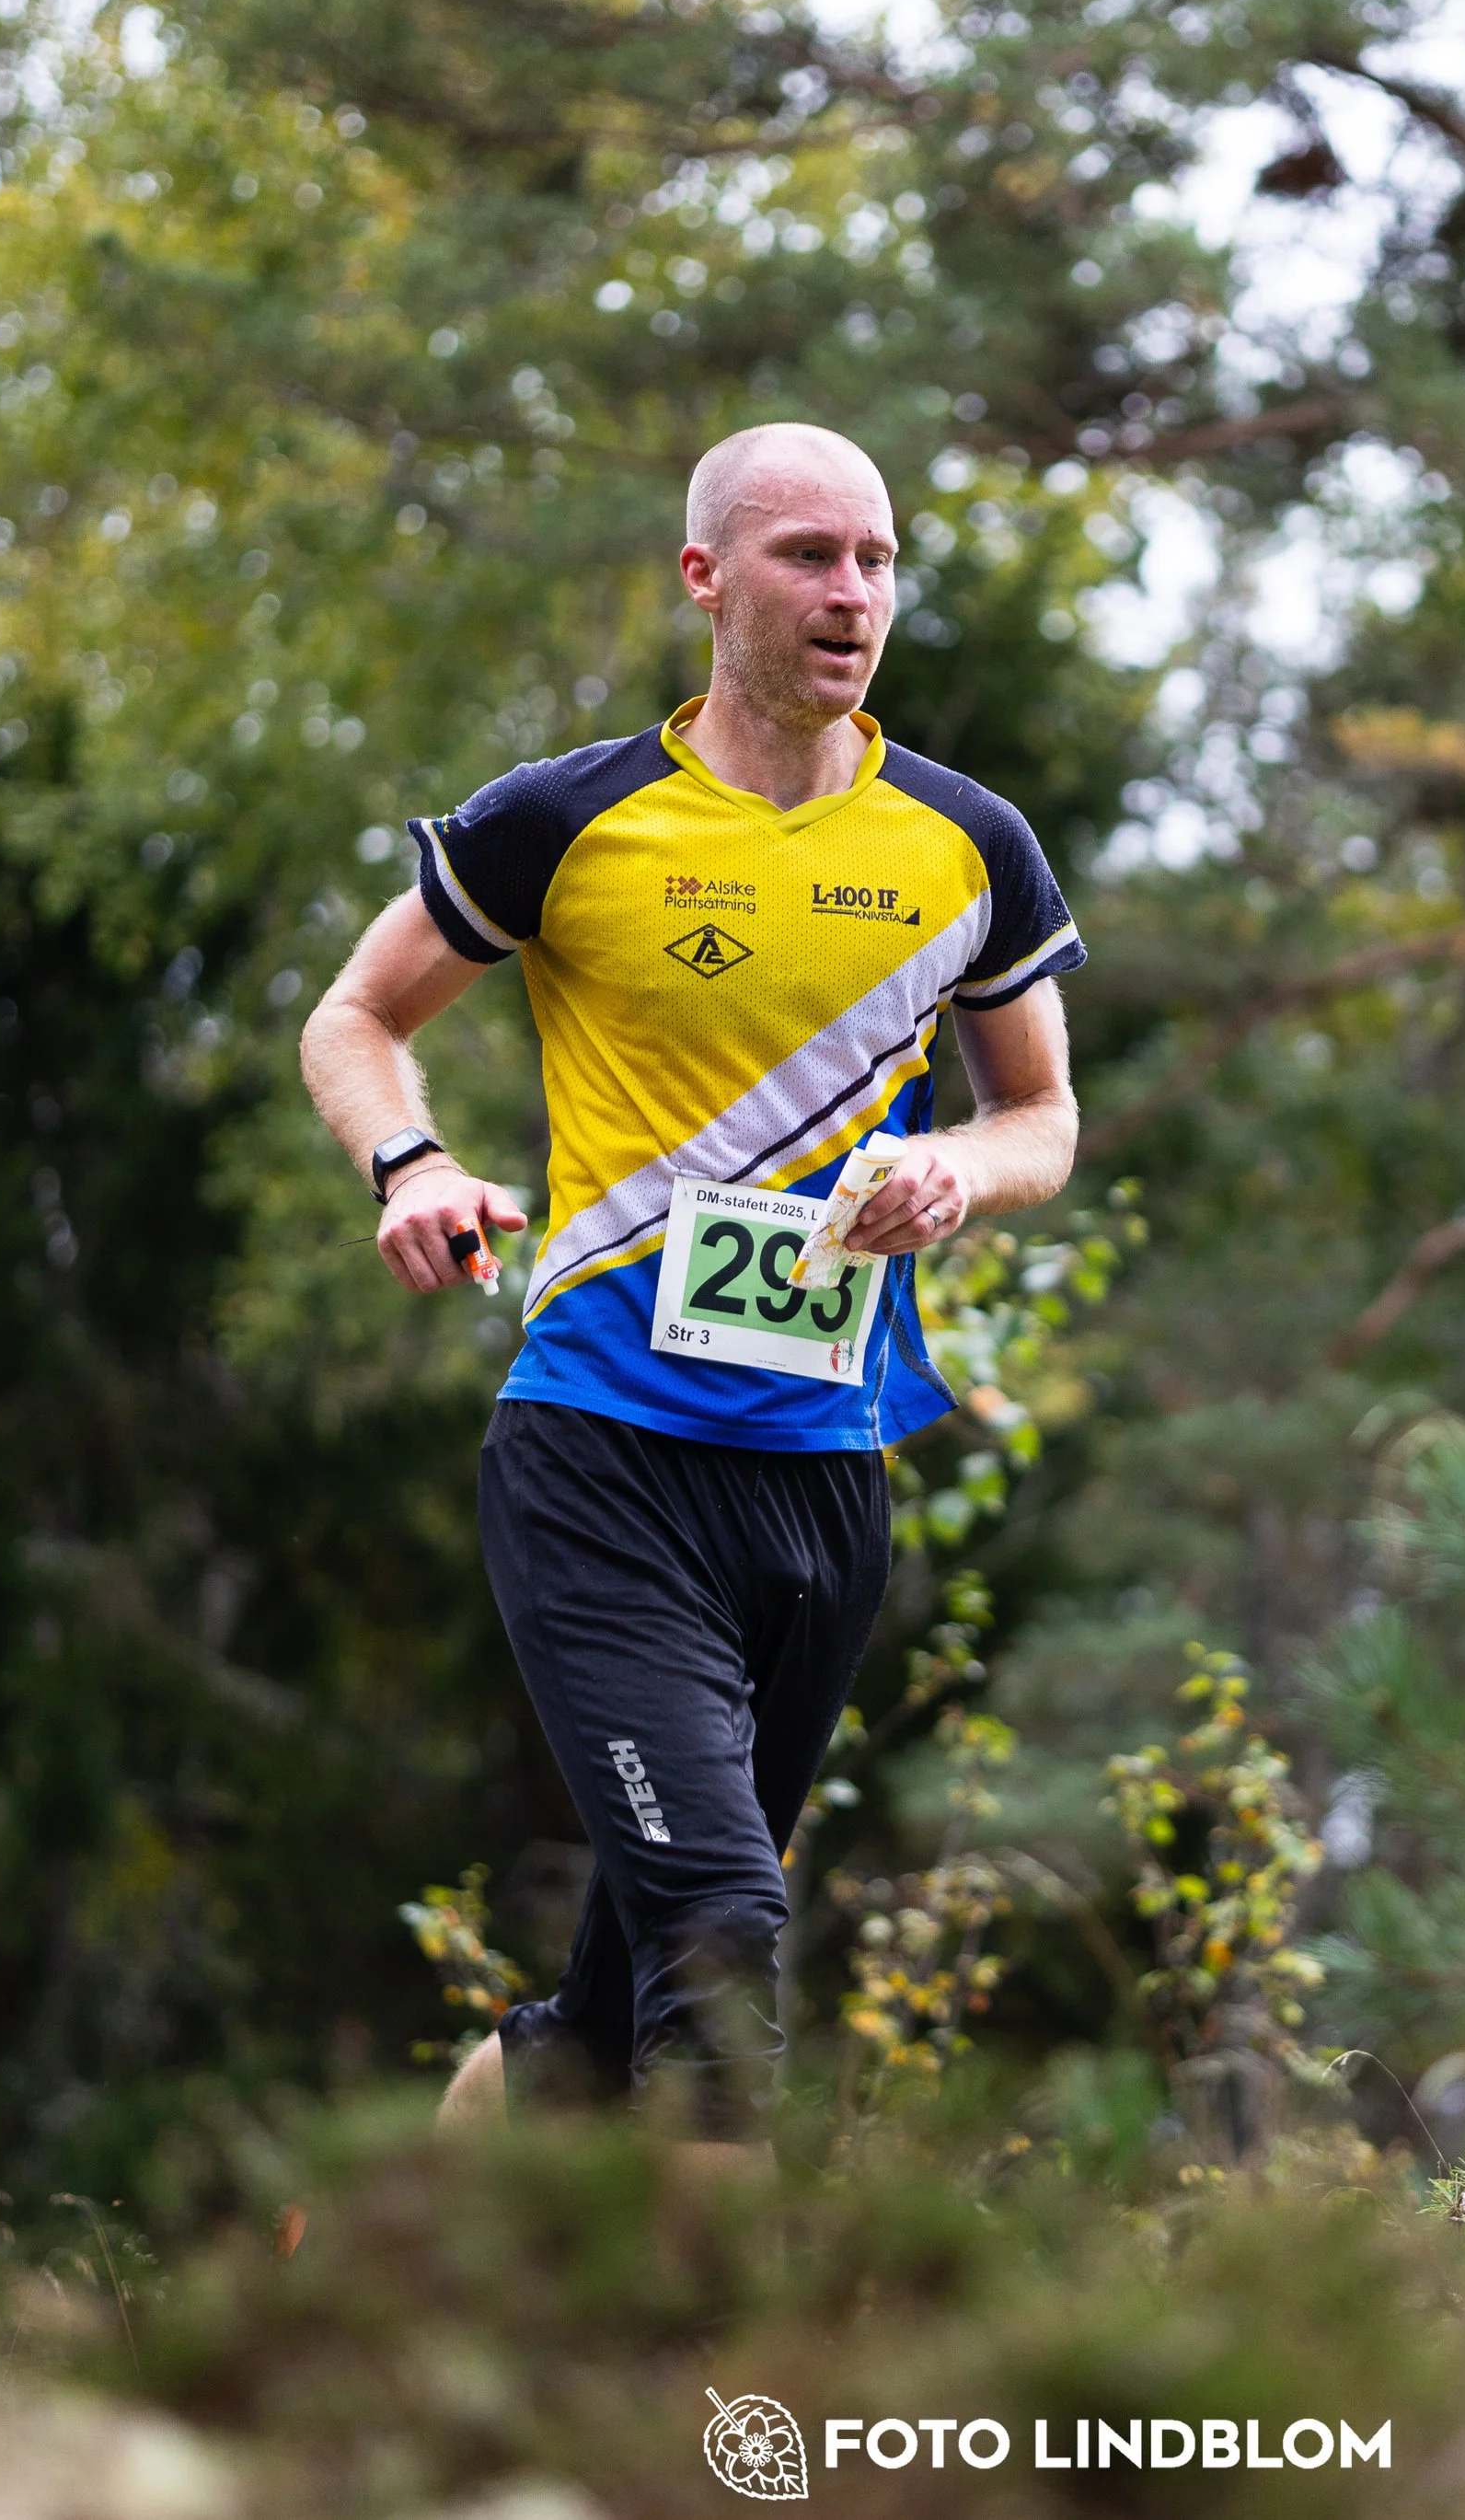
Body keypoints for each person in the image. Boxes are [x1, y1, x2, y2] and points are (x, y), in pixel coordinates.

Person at [298, 421, 1082, 2141]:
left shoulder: (967, 846)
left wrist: (958, 1170)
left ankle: (385, 2260)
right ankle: (722, 2399)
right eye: (810, 555)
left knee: (623, 1988)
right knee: (722, 1940)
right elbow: (355, 1016)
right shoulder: (570, 820)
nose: (853, 594)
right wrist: (410, 1164)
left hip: (822, 1480)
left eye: (877, 560)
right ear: (705, 578)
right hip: (600, 1458)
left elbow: (1044, 1117)